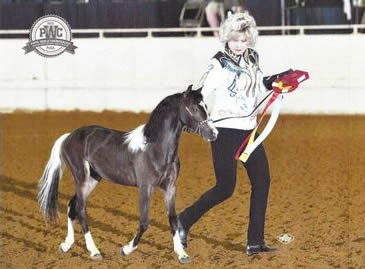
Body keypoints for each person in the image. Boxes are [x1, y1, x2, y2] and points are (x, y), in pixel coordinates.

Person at [177, 11, 292, 256]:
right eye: (235, 39)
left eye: (244, 40)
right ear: (227, 37)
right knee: (225, 188)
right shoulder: (218, 62)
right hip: (225, 131)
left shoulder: (252, 57)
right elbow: (200, 93)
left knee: (262, 181)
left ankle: (254, 242)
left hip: (249, 130)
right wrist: (192, 114)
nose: (240, 45)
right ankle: (182, 222)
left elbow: (259, 82)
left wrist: (278, 81)